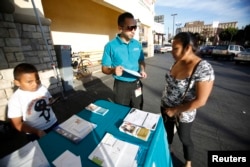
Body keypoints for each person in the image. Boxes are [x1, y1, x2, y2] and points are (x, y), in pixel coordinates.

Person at [161, 32, 215, 167]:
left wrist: (176, 110)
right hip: (165, 107)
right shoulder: (177, 61)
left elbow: (201, 100)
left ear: (188, 48)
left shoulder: (203, 68)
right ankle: (169, 149)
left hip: (183, 113)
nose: (171, 51)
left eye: (175, 48)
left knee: (185, 139)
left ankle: (188, 162)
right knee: (166, 133)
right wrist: (168, 107)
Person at [101, 12, 147, 109]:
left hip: (137, 83)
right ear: (120, 27)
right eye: (130, 27)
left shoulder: (137, 44)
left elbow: (141, 61)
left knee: (138, 109)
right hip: (121, 86)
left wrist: (142, 70)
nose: (133, 31)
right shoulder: (110, 46)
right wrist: (113, 70)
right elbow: (104, 68)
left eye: (135, 27)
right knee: (121, 111)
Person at [8, 63, 58, 141]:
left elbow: (49, 98)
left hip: (53, 123)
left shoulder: (42, 87)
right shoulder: (15, 99)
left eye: (37, 80)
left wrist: (51, 101)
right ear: (17, 83)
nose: (35, 84)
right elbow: (17, 124)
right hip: (35, 132)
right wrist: (36, 131)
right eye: (29, 82)